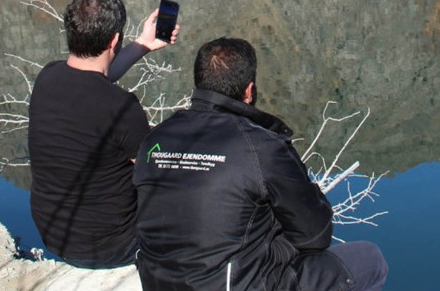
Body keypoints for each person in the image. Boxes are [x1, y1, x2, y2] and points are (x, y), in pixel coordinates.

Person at [134, 37, 388, 291]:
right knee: (370, 260)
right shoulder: (259, 146)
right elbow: (316, 235)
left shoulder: (154, 140)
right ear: (249, 90)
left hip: (157, 284)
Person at [28, 0, 179, 268]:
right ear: (114, 40)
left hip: (52, 235)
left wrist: (144, 44)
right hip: (111, 247)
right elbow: (154, 173)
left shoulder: (47, 78)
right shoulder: (122, 107)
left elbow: (95, 77)